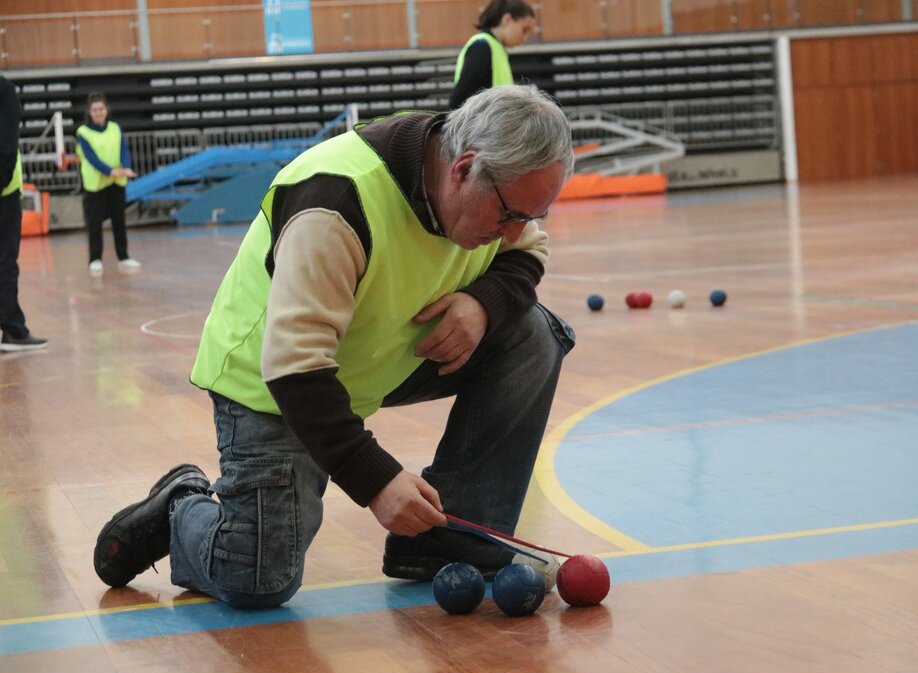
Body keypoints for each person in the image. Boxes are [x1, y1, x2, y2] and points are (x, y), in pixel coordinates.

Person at [93, 85, 577, 609]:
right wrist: (376, 480)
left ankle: (447, 544)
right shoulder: (335, 200)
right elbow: (295, 366)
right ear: (463, 169)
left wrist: (483, 303)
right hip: (274, 383)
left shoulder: (496, 198)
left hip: (375, 357)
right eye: (509, 215)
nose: (514, 233)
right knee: (259, 578)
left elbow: (529, 251)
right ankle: (180, 506)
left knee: (532, 335)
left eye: (531, 216)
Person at [0, 74, 47, 353]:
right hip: (4, 194)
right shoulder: (4, 90)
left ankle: (13, 329)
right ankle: (13, 331)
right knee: (5, 263)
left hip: (5, 191)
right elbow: (6, 146)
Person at [76, 92, 140, 275]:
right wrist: (110, 171)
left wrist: (126, 168)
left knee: (119, 220)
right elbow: (91, 157)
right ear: (90, 111)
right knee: (95, 223)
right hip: (95, 184)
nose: (98, 112)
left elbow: (124, 150)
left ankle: (124, 256)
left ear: (106, 110)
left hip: (116, 182)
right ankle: (95, 258)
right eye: (95, 109)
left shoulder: (115, 128)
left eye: (101, 109)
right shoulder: (83, 132)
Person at [448, 0, 537, 110]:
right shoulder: (482, 46)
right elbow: (458, 100)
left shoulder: (497, 48)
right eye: (524, 30)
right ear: (507, 19)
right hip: (482, 126)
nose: (525, 38)